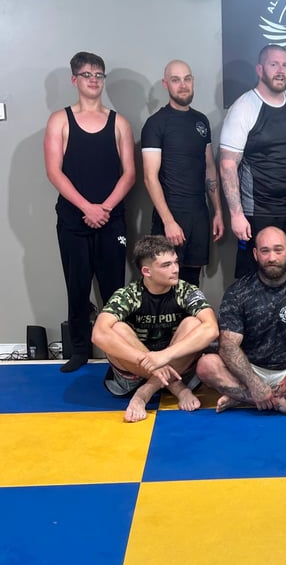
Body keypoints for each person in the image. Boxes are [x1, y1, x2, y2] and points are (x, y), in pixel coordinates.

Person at [44, 50, 135, 372]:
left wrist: (105, 208)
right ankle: (80, 349)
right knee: (77, 286)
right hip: (73, 219)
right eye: (87, 75)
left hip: (112, 220)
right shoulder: (60, 120)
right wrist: (86, 207)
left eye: (98, 75)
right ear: (75, 80)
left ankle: (117, 351)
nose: (94, 80)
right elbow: (54, 171)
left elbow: (129, 173)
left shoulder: (119, 122)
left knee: (115, 289)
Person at [195, 226, 286, 419]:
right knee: (206, 366)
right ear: (255, 254)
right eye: (265, 251)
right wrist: (252, 382)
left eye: (278, 250)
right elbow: (228, 345)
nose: (272, 257)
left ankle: (243, 399)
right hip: (249, 368)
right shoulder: (238, 292)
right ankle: (284, 404)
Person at [92, 235, 218, 423]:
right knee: (116, 328)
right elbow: (98, 334)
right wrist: (147, 360)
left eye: (175, 262)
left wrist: (165, 356)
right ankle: (177, 388)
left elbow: (212, 329)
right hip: (135, 371)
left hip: (178, 366)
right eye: (166, 265)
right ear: (146, 271)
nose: (175, 269)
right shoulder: (129, 294)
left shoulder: (186, 291)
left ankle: (144, 393)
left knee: (195, 323)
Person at [219, 45, 286, 278]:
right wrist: (236, 214)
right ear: (260, 69)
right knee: (254, 277)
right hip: (258, 211)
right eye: (274, 64)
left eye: (285, 65)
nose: (280, 70)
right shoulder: (243, 108)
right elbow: (227, 165)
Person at [141, 59, 224, 287]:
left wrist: (217, 211)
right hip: (170, 216)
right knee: (164, 283)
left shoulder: (201, 121)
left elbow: (209, 168)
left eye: (187, 79)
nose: (183, 85)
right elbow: (149, 177)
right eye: (175, 80)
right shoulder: (156, 124)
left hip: (199, 215)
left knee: (191, 283)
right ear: (165, 84)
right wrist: (168, 221)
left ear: (193, 81)